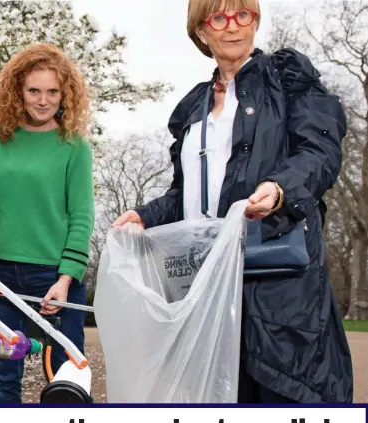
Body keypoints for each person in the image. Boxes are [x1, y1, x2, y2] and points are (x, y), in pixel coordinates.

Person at [113, 0, 353, 403]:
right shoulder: (194, 107)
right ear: (201, 32)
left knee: (282, 398)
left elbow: (319, 152)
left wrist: (279, 188)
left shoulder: (287, 79)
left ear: (255, 21)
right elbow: (184, 194)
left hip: (277, 289)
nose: (233, 26)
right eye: (219, 17)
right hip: (207, 286)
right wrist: (144, 214)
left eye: (243, 14)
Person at [0, 43, 94, 404]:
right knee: (3, 380)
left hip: (55, 278)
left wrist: (66, 278)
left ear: (65, 93)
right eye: (34, 91)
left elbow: (82, 215)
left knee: (65, 378)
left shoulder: (74, 146)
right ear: (17, 92)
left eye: (53, 91)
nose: (43, 100)